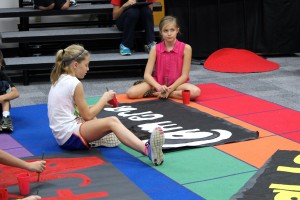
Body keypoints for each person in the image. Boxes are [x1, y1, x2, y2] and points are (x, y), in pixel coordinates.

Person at [47, 44, 165, 166]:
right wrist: (103, 99)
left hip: (63, 133)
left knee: (100, 119)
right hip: (68, 136)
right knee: (112, 121)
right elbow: (87, 116)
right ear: (75, 65)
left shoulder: (60, 78)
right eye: (86, 65)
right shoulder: (75, 84)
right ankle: (147, 149)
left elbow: (81, 111)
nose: (88, 69)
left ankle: (98, 139)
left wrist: (103, 105)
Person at [126, 16, 201, 100]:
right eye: (166, 30)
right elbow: (147, 75)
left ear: (177, 30)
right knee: (131, 93)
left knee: (195, 92)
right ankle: (161, 92)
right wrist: (158, 86)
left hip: (177, 85)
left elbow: (184, 76)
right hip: (158, 83)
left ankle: (164, 94)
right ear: (161, 32)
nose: (169, 34)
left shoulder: (186, 48)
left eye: (172, 30)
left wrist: (170, 90)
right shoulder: (155, 48)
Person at [0, 50, 20, 133]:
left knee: (6, 97)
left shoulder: (2, 76)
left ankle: (6, 120)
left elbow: (16, 93)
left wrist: (2, 97)